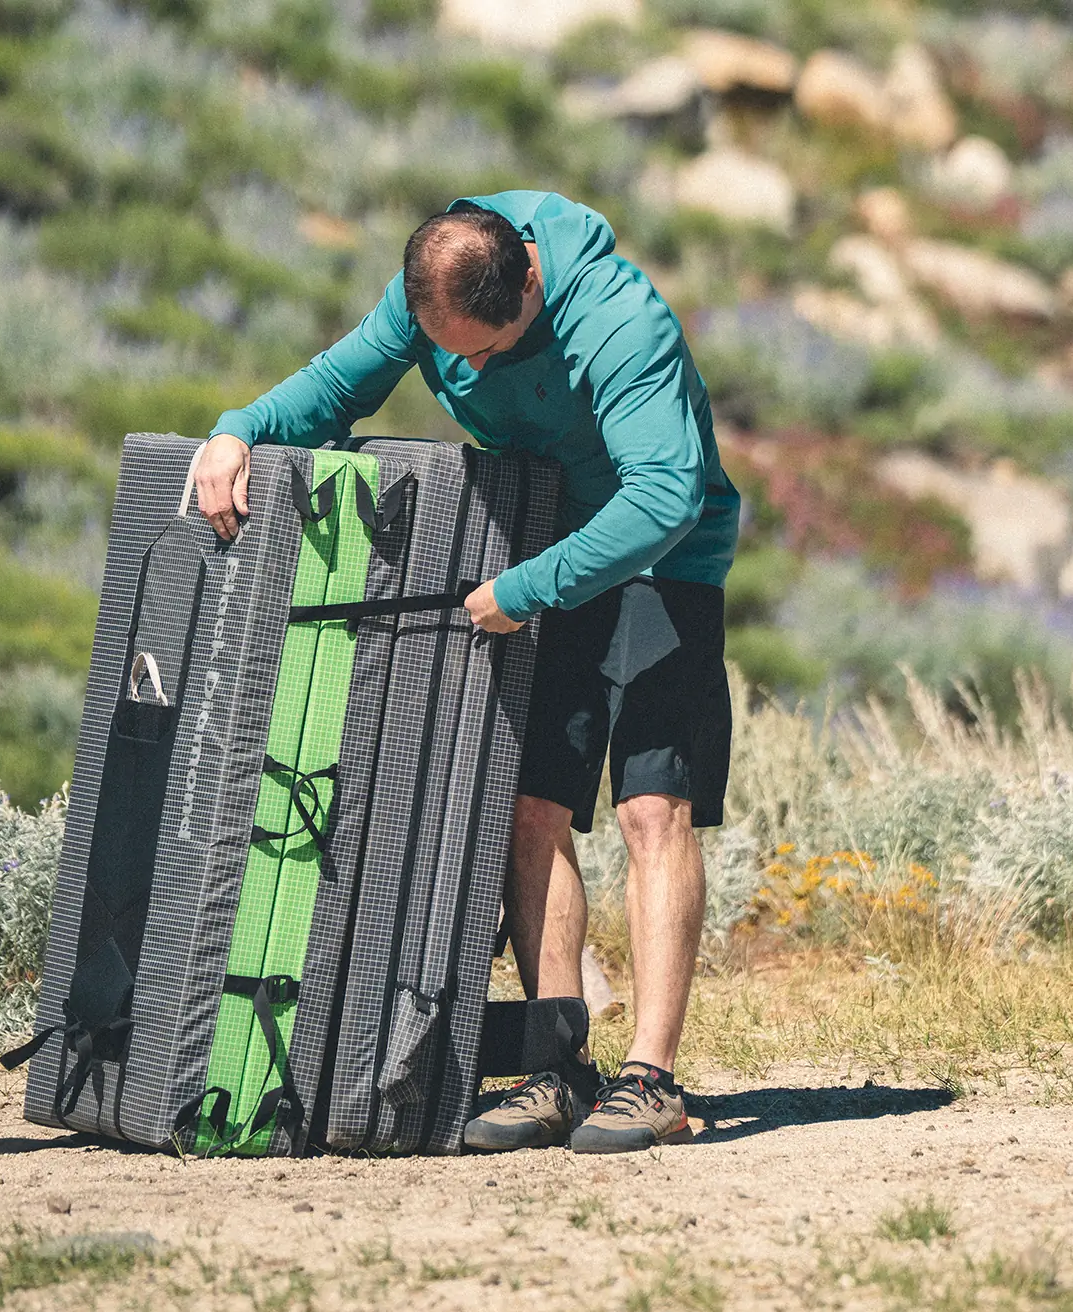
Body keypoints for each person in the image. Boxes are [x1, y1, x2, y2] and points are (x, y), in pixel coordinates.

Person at [190, 190, 738, 1154]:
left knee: (651, 808)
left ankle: (652, 1079)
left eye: (484, 352)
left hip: (660, 564)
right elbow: (333, 390)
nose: (466, 369)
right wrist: (239, 430)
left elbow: (667, 494)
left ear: (528, 279)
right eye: (449, 353)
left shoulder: (617, 321)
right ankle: (562, 1066)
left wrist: (528, 587)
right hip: (550, 557)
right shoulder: (439, 287)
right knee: (533, 806)